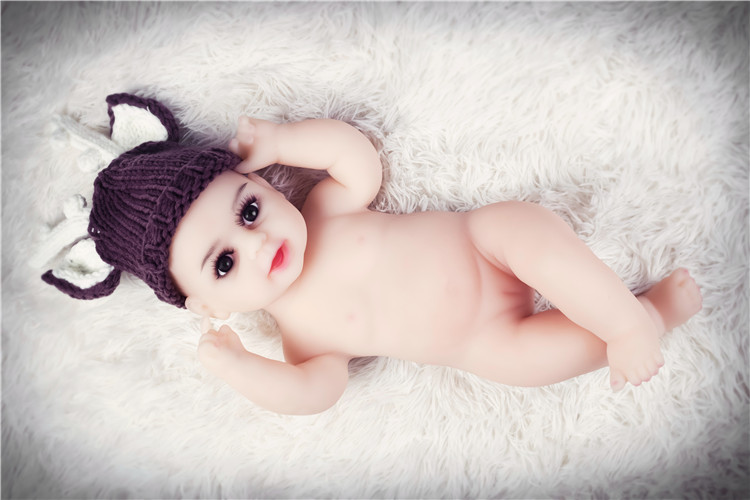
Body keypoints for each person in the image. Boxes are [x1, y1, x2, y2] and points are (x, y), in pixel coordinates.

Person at [44, 93, 703, 415]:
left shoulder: (322, 211)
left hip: (484, 246)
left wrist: (281, 141)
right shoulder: (304, 339)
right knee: (528, 363)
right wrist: (240, 368)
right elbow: (313, 394)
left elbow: (355, 158)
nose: (259, 242)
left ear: (260, 183)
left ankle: (623, 321)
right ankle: (650, 317)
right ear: (208, 306)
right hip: (479, 340)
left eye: (249, 211)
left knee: (527, 231)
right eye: (224, 263)